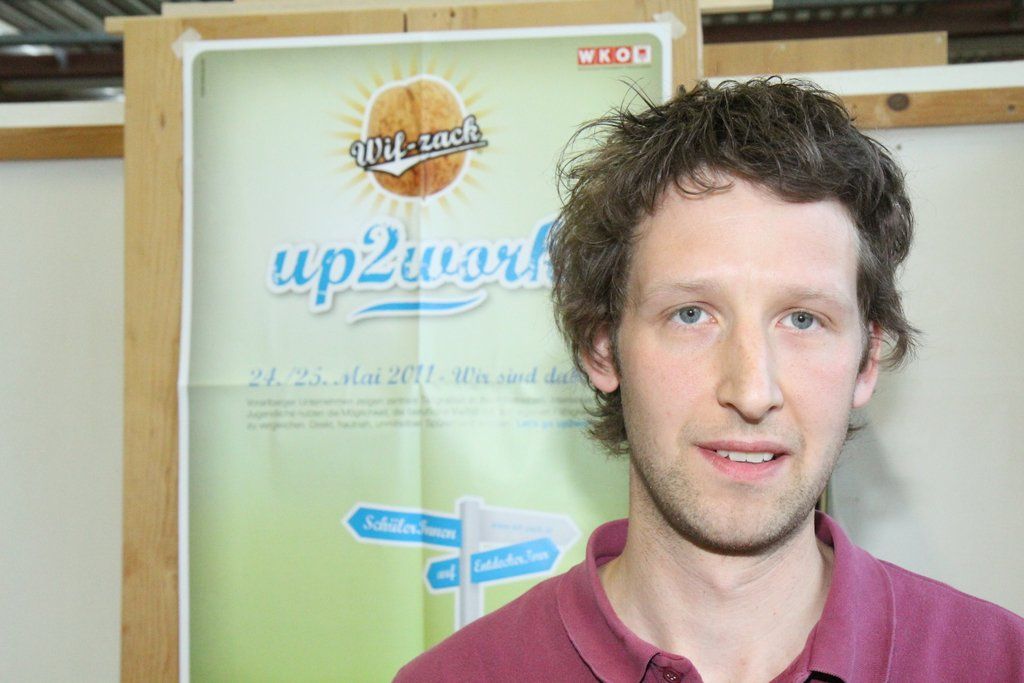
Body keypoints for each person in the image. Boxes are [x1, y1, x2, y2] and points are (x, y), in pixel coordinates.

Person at [395, 78, 1024, 682]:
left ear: (866, 361)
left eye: (803, 319)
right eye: (691, 315)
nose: (751, 392)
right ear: (602, 347)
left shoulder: (1001, 665)